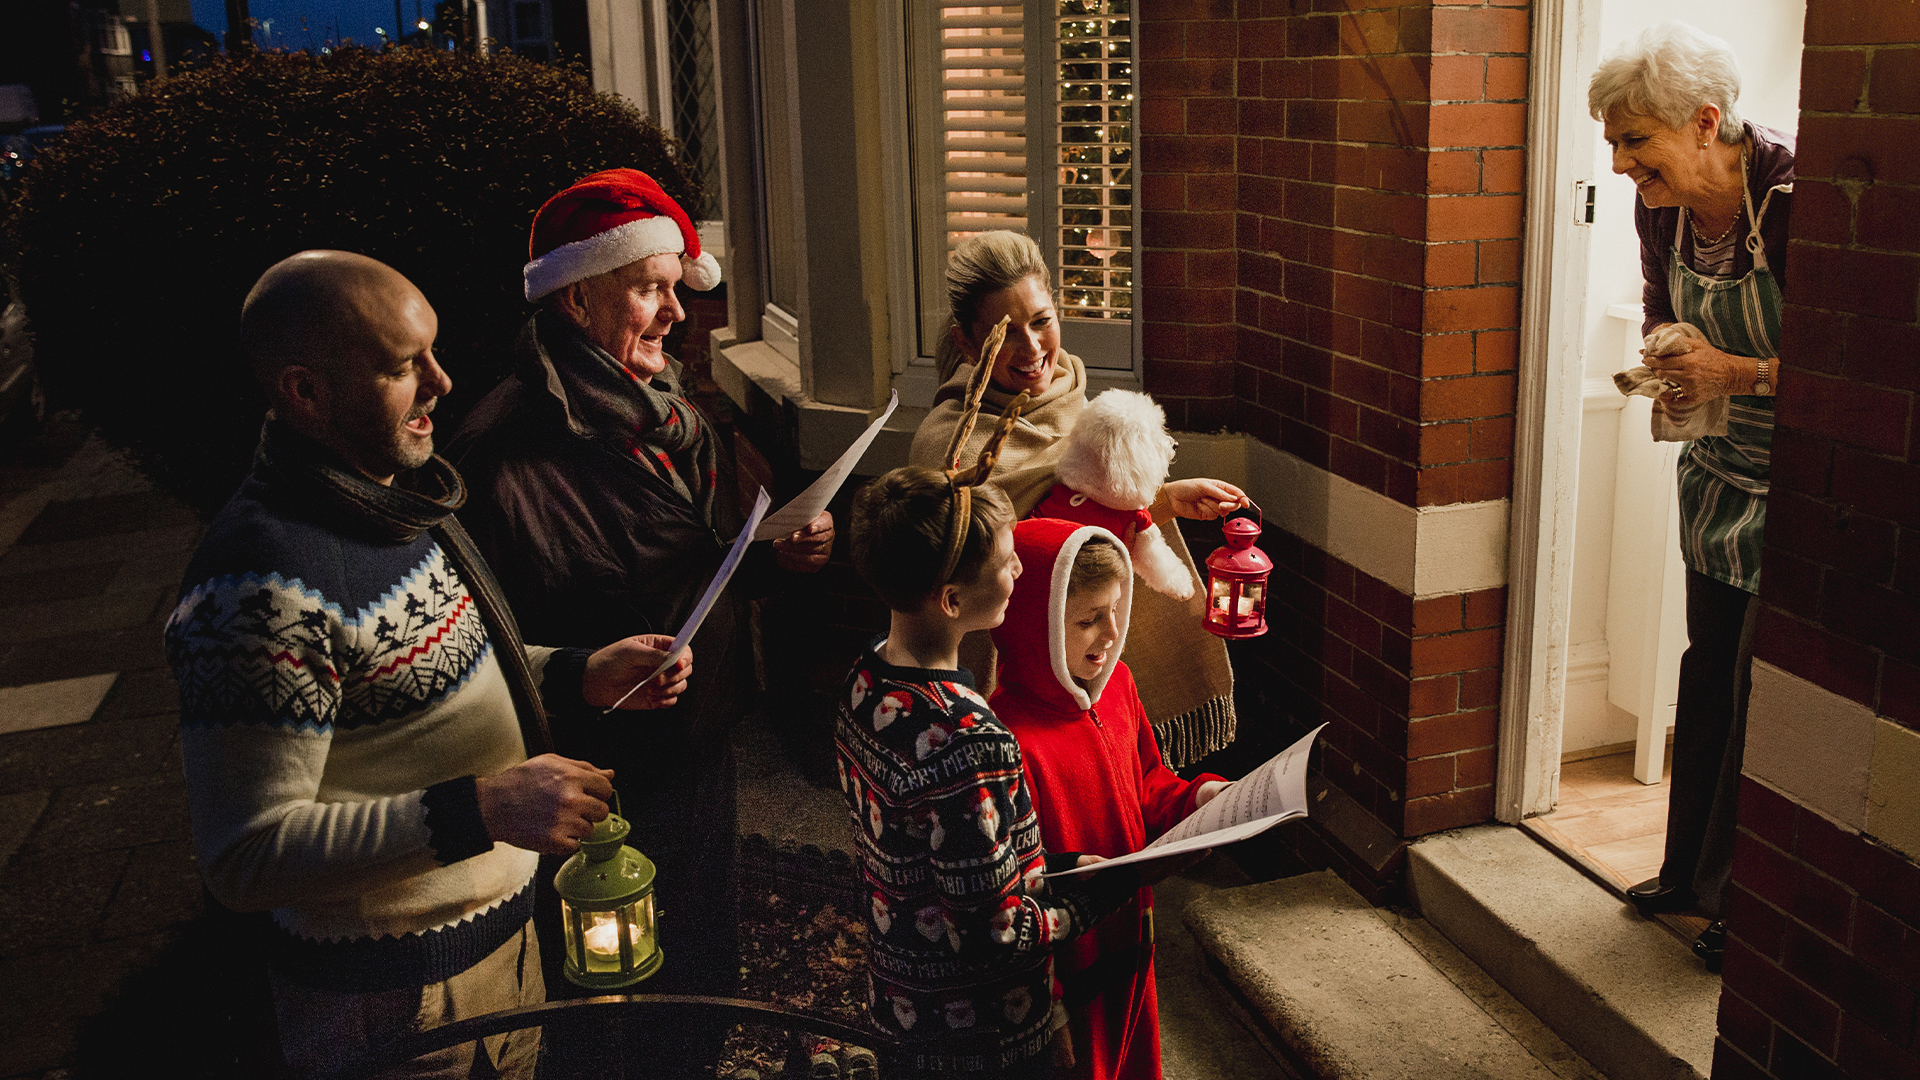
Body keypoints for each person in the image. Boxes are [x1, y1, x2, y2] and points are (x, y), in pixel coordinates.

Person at [163, 250, 691, 1080]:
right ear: (305, 390)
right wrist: (482, 808)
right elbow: (246, 854)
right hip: (388, 998)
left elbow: (425, 673)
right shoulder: (258, 589)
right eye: (403, 366)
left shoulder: (390, 501)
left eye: (432, 352)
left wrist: (577, 671)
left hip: (498, 942)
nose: (443, 382)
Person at [448, 168, 832, 1074]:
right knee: (616, 1003)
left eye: (674, 289)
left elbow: (692, 563)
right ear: (578, 297)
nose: (676, 316)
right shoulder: (502, 453)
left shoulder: (668, 417)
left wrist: (773, 558)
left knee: (700, 965)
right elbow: (477, 648)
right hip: (597, 780)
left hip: (695, 740)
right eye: (649, 290)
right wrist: (584, 666)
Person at [1589, 22, 1792, 970]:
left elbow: (1853, 372)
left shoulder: (1798, 201)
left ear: (1707, 121)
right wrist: (1671, 350)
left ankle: (1748, 909)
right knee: (1709, 672)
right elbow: (1661, 299)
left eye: (1637, 141)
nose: (1622, 160)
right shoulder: (1665, 211)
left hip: (1800, 487)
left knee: (1768, 694)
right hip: (1719, 479)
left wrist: (1736, 372)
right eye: (1616, 142)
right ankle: (1690, 876)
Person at [840, 461, 1138, 1079]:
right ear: (952, 600)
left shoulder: (864, 681)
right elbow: (992, 935)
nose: (1021, 571)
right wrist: (1091, 900)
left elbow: (942, 855)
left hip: (901, 1001)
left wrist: (1055, 867)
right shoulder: (967, 740)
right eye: (1006, 564)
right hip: (982, 1034)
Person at [907, 231, 1247, 768]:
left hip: (1091, 652)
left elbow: (1084, 518)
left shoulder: (1074, 400)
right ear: (969, 344)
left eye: (1041, 322)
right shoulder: (948, 445)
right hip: (1012, 679)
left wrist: (1166, 500)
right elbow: (1026, 546)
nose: (1033, 349)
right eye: (1006, 334)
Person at [989, 520, 1229, 1080]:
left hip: (1132, 939)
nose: (1110, 631)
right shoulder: (1008, 737)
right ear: (1035, 624)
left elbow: (1147, 782)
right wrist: (1048, 1013)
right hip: (1070, 964)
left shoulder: (1119, 685)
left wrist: (1202, 798)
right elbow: (1009, 884)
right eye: (1087, 619)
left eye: (1117, 610)